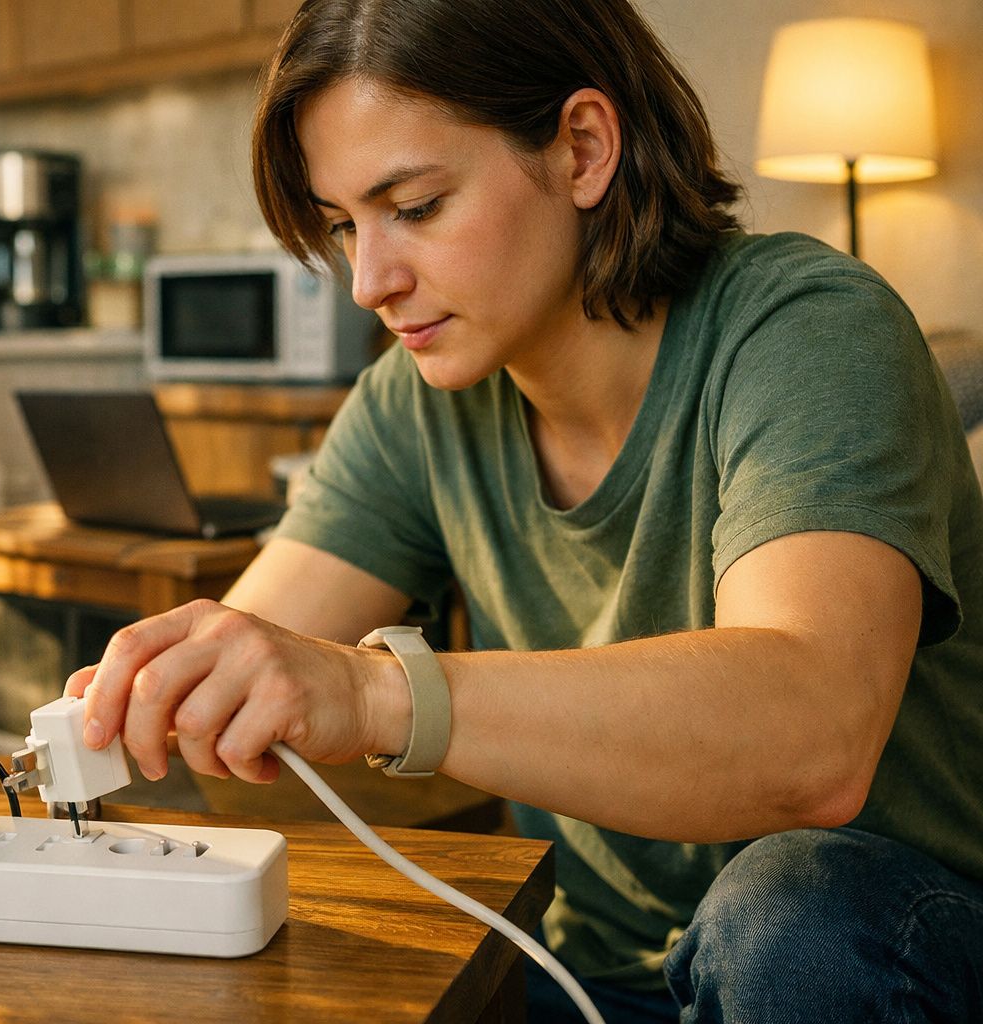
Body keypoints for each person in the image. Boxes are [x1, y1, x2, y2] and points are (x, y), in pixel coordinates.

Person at [66, 0, 983, 1020]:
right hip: (597, 980)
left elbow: (811, 741)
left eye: (412, 206)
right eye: (341, 226)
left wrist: (374, 692)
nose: (369, 280)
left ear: (583, 148)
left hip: (880, 949)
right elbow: (254, 652)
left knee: (791, 913)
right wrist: (134, 700)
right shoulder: (418, 404)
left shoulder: (810, 331)